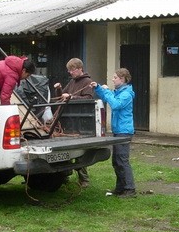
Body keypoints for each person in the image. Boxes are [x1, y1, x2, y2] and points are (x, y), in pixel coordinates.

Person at [90, 68, 136, 198]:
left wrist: (106, 92)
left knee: (122, 160)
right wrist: (98, 88)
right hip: (118, 130)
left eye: (115, 77)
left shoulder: (126, 94)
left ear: (122, 79)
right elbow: (107, 96)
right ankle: (120, 188)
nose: (112, 79)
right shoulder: (118, 92)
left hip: (124, 131)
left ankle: (130, 189)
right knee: (116, 161)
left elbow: (115, 104)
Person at [54, 58, 94, 187]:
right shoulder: (72, 82)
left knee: (79, 153)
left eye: (72, 70)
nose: (70, 72)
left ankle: (84, 180)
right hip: (67, 120)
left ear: (79, 69)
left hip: (80, 121)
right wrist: (59, 89)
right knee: (65, 151)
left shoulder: (88, 82)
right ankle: (63, 176)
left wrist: (72, 97)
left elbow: (88, 99)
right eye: (69, 70)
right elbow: (62, 96)